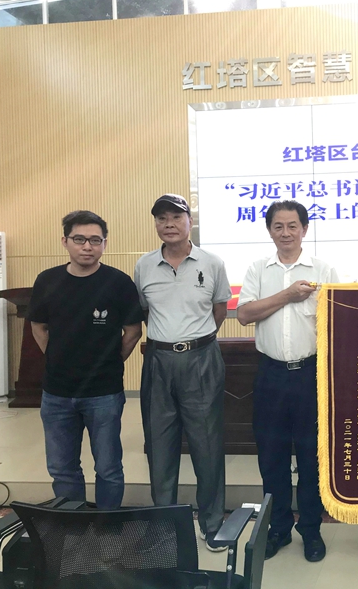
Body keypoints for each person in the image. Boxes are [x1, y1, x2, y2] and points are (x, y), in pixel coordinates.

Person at [237, 200, 339, 562]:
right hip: (270, 374)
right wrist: (288, 295)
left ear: (304, 229)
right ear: (270, 231)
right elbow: (244, 314)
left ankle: (310, 529)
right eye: (278, 226)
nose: (285, 233)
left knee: (312, 457)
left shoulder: (323, 269)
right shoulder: (257, 269)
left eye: (292, 226)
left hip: (311, 374)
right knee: (272, 457)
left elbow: (337, 322)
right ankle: (278, 528)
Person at [134, 194, 231, 552]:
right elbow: (145, 312)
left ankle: (212, 524)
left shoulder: (212, 263)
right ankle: (164, 528)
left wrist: (193, 340)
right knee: (159, 446)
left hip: (201, 358)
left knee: (207, 445)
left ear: (190, 221)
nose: (169, 224)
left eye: (176, 217)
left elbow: (219, 310)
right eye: (162, 218)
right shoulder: (144, 266)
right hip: (158, 361)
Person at [28, 210, 143, 510]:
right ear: (65, 241)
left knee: (108, 467)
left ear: (105, 243)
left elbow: (133, 330)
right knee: (62, 468)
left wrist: (110, 361)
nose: (87, 246)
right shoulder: (47, 280)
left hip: (104, 392)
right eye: (79, 239)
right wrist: (57, 358)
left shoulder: (118, 282)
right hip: (56, 392)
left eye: (95, 240)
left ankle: (106, 527)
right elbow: (38, 326)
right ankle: (72, 528)